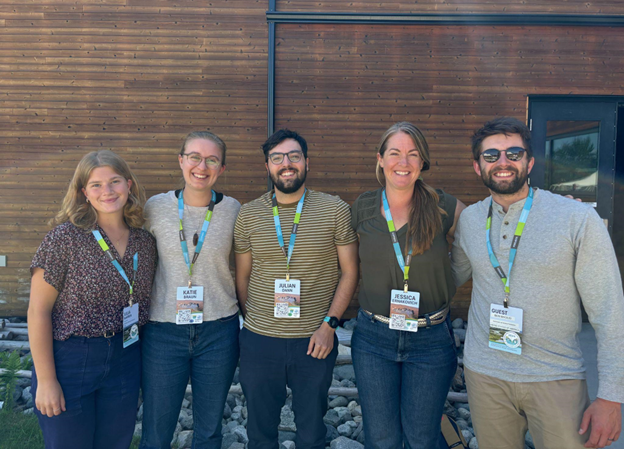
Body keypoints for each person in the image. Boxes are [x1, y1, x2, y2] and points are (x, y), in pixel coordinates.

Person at [451, 117, 624, 449]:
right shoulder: (471, 220)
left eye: (513, 153)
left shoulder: (576, 219)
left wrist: (612, 397)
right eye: (491, 155)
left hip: (556, 377)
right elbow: (447, 279)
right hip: (486, 376)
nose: (503, 162)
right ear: (477, 166)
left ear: (529, 162)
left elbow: (609, 312)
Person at [234, 129, 359, 449]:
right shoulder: (248, 214)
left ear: (307, 162)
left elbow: (349, 272)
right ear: (267, 166)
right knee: (260, 432)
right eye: (277, 158)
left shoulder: (334, 209)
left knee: (312, 431)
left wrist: (329, 325)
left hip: (315, 341)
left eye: (294, 156)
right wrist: (258, 322)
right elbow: (243, 277)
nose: (286, 164)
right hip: (259, 342)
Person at [28, 150, 157, 449]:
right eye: (96, 185)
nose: (107, 191)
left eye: (114, 182)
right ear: (84, 193)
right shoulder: (65, 238)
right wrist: (47, 381)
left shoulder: (145, 241)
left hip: (125, 357)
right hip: (72, 358)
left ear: (129, 185)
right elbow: (37, 311)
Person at [350, 121, 465, 449]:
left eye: (413, 154)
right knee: (381, 438)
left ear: (423, 162)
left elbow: (483, 242)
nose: (403, 162)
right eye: (395, 153)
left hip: (430, 339)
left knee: (421, 438)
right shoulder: (362, 208)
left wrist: (445, 280)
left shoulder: (443, 205)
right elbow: (342, 260)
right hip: (374, 339)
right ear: (380, 159)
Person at [140, 131, 241, 449]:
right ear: (181, 160)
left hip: (219, 330)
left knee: (209, 430)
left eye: (212, 159)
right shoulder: (154, 208)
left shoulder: (235, 210)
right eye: (195, 156)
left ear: (222, 168)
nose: (202, 165)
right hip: (163, 331)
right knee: (157, 431)